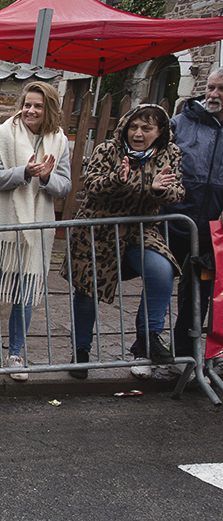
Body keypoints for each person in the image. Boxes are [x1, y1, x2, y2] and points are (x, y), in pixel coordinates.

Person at [64, 104, 183, 379]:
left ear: (160, 131)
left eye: (146, 128)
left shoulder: (170, 153)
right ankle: (80, 352)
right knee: (86, 291)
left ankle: (147, 340)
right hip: (99, 229)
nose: (138, 133)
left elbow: (177, 192)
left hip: (140, 229)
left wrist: (157, 191)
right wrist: (119, 181)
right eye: (134, 126)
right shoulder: (108, 150)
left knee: (161, 271)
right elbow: (91, 184)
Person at [0, 81, 71, 382]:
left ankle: (15, 354)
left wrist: (47, 176)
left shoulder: (60, 140)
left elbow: (64, 187)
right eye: (27, 104)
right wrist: (24, 173)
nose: (30, 110)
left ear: (49, 109)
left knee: (25, 295)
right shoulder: (4, 133)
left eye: (37, 106)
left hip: (36, 229)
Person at [164, 68, 223, 358]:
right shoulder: (181, 122)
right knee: (159, 281)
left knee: (198, 290)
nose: (213, 94)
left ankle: (184, 353)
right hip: (174, 219)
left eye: (221, 89)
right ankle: (145, 348)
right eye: (211, 87)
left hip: (212, 228)